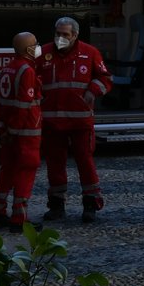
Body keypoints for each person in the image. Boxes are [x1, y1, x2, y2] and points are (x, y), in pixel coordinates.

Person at [39, 15, 113, 222]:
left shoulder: (90, 53)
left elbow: (105, 78)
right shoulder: (42, 52)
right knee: (54, 165)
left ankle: (90, 204)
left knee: (85, 162)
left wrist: (93, 91)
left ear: (75, 35)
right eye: (57, 34)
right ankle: (56, 205)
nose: (60, 38)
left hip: (80, 122)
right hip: (52, 122)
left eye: (65, 34)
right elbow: (30, 75)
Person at [0, 32, 44, 232]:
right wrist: (13, 130)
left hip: (9, 131)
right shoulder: (26, 70)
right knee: (25, 171)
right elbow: (23, 105)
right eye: (35, 45)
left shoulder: (7, 68)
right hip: (25, 132)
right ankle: (19, 219)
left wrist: (1, 129)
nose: (38, 47)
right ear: (28, 49)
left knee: (7, 170)